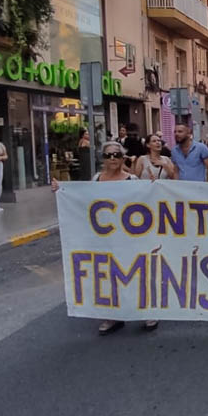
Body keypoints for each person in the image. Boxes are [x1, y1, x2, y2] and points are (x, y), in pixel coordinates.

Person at [52, 141, 157, 335]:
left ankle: (146, 311)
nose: (113, 159)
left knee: (135, 273)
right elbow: (83, 200)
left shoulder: (132, 180)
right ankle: (113, 316)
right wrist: (62, 190)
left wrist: (153, 188)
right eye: (108, 155)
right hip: (105, 238)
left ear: (123, 158)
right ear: (103, 159)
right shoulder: (97, 179)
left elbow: (146, 203)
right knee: (109, 275)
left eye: (117, 155)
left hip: (129, 238)